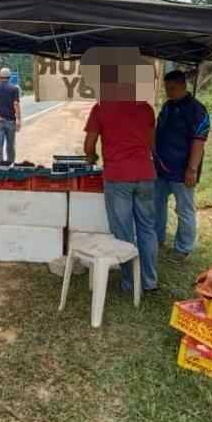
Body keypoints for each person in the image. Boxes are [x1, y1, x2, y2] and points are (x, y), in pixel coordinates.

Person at [83, 62, 159, 292]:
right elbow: (151, 143)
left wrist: (91, 156)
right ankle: (149, 281)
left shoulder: (101, 108)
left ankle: (130, 282)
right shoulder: (146, 109)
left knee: (124, 232)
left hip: (118, 177)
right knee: (147, 229)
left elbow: (89, 144)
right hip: (145, 174)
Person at [154, 69, 210, 261]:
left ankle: (183, 248)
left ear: (183, 85)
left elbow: (199, 141)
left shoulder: (197, 110)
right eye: (166, 88)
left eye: (172, 88)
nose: (169, 91)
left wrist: (192, 169)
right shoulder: (167, 106)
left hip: (183, 171)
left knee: (184, 209)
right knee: (156, 205)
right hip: (161, 168)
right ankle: (156, 239)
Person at [0, 67, 21, 162]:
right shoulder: (14, 89)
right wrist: (18, 120)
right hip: (11, 121)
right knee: (10, 146)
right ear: (9, 77)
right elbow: (16, 104)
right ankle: (10, 164)